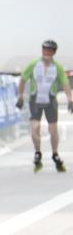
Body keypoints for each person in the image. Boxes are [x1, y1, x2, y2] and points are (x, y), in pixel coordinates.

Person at [16, 39, 72, 172]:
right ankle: (38, 152)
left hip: (50, 101)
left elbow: (65, 83)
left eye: (50, 50)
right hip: (35, 100)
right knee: (35, 127)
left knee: (53, 129)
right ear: (42, 51)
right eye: (45, 50)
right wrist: (20, 96)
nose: (47, 52)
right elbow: (23, 79)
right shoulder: (34, 64)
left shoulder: (57, 67)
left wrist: (70, 99)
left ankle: (55, 154)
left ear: (54, 52)